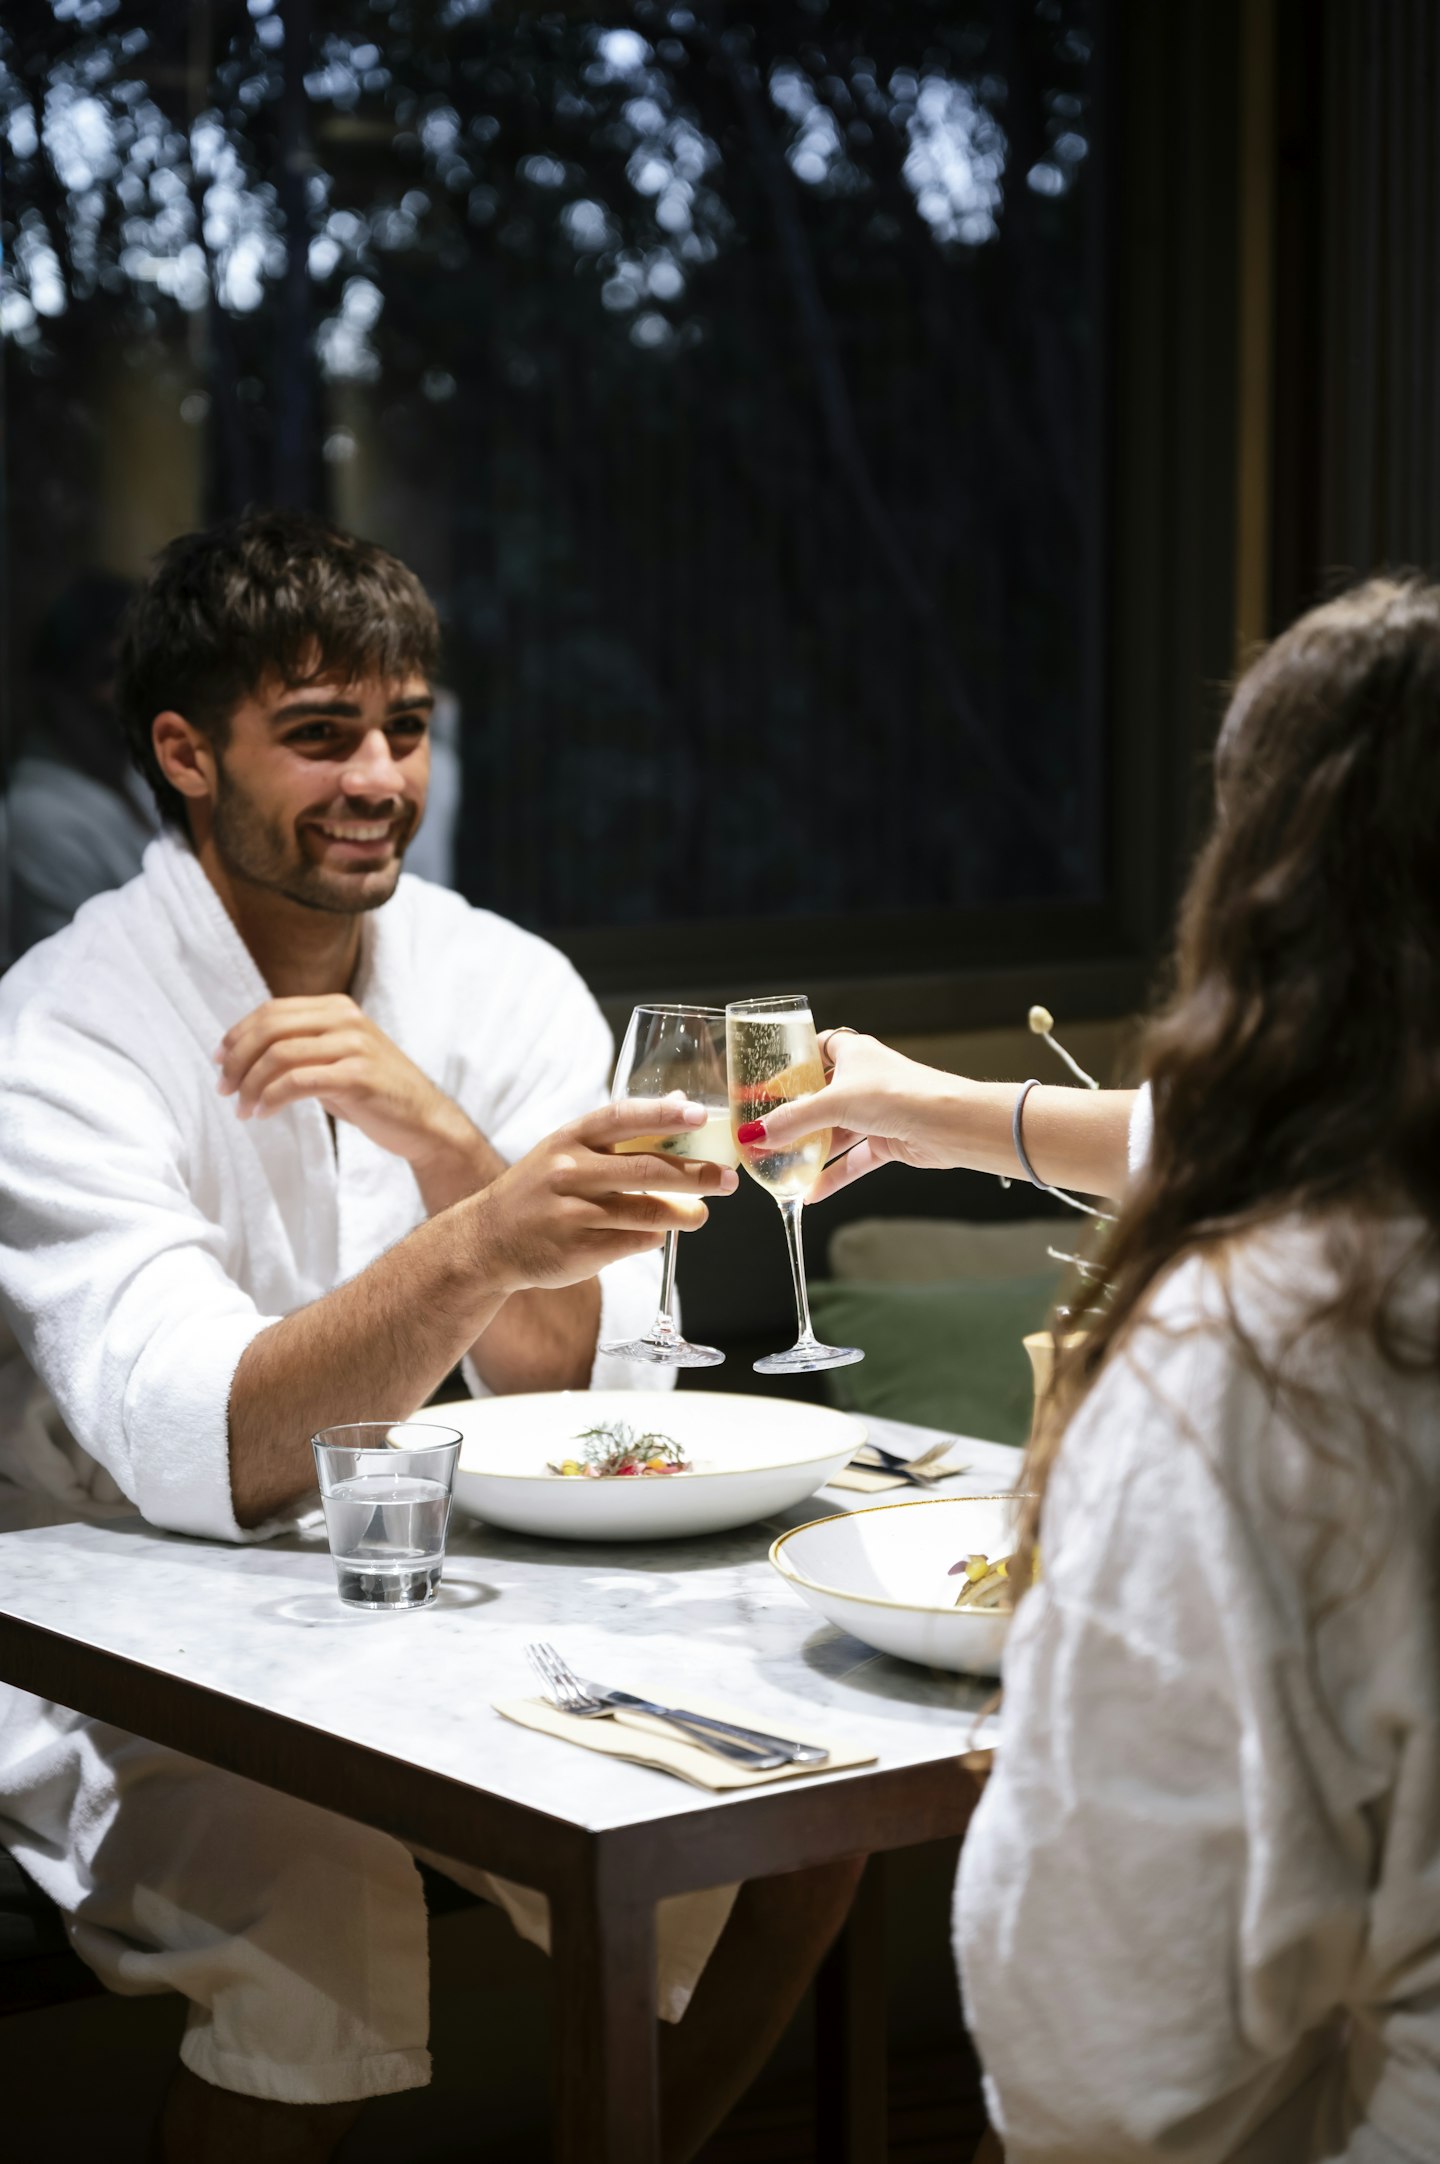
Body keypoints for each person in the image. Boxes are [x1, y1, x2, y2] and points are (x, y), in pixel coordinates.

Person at [0, 511, 859, 2163]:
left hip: (446, 1571)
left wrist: (456, 1153)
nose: (380, 777)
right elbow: (215, 1453)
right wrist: (481, 1229)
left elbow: (567, 1385)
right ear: (185, 753)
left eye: (406, 727)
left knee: (788, 1818)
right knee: (307, 1919)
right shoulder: (66, 1027)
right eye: (320, 737)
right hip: (121, 1611)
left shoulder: (495, 976)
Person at [756, 576, 1440, 2160]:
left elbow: (1102, 2031)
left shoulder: (1259, 1353)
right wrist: (945, 1111)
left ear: (1267, 891)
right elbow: (1259, 1129)